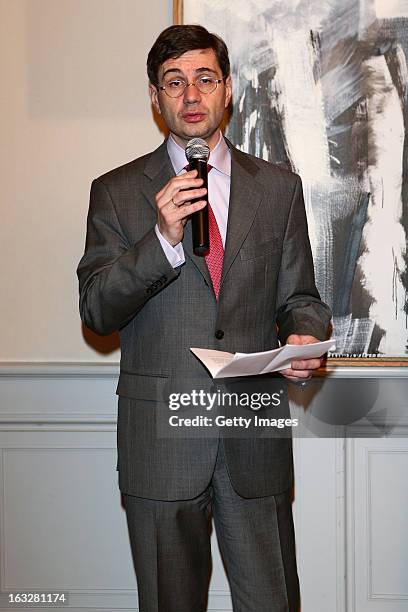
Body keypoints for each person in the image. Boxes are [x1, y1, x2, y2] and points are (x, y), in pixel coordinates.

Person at [77, 24, 331, 612]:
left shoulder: (278, 189)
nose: (191, 95)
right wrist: (161, 241)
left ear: (228, 90)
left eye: (204, 79)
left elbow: (302, 298)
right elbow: (96, 310)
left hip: (253, 434)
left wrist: (305, 336)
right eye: (174, 82)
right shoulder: (115, 193)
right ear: (155, 97)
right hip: (160, 444)